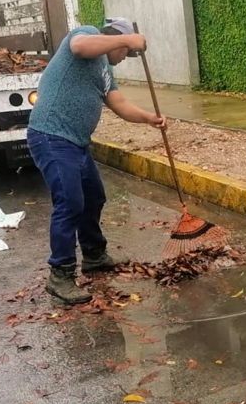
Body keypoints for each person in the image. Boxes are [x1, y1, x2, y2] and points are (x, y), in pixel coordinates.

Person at [26, 17, 166, 304]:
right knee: (70, 203)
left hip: (75, 142)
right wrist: (128, 41)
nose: (124, 57)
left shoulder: (105, 70)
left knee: (94, 197)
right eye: (125, 52)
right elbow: (79, 47)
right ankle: (60, 275)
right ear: (116, 38)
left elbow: (120, 104)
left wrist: (150, 119)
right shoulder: (88, 35)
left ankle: (94, 255)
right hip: (51, 136)